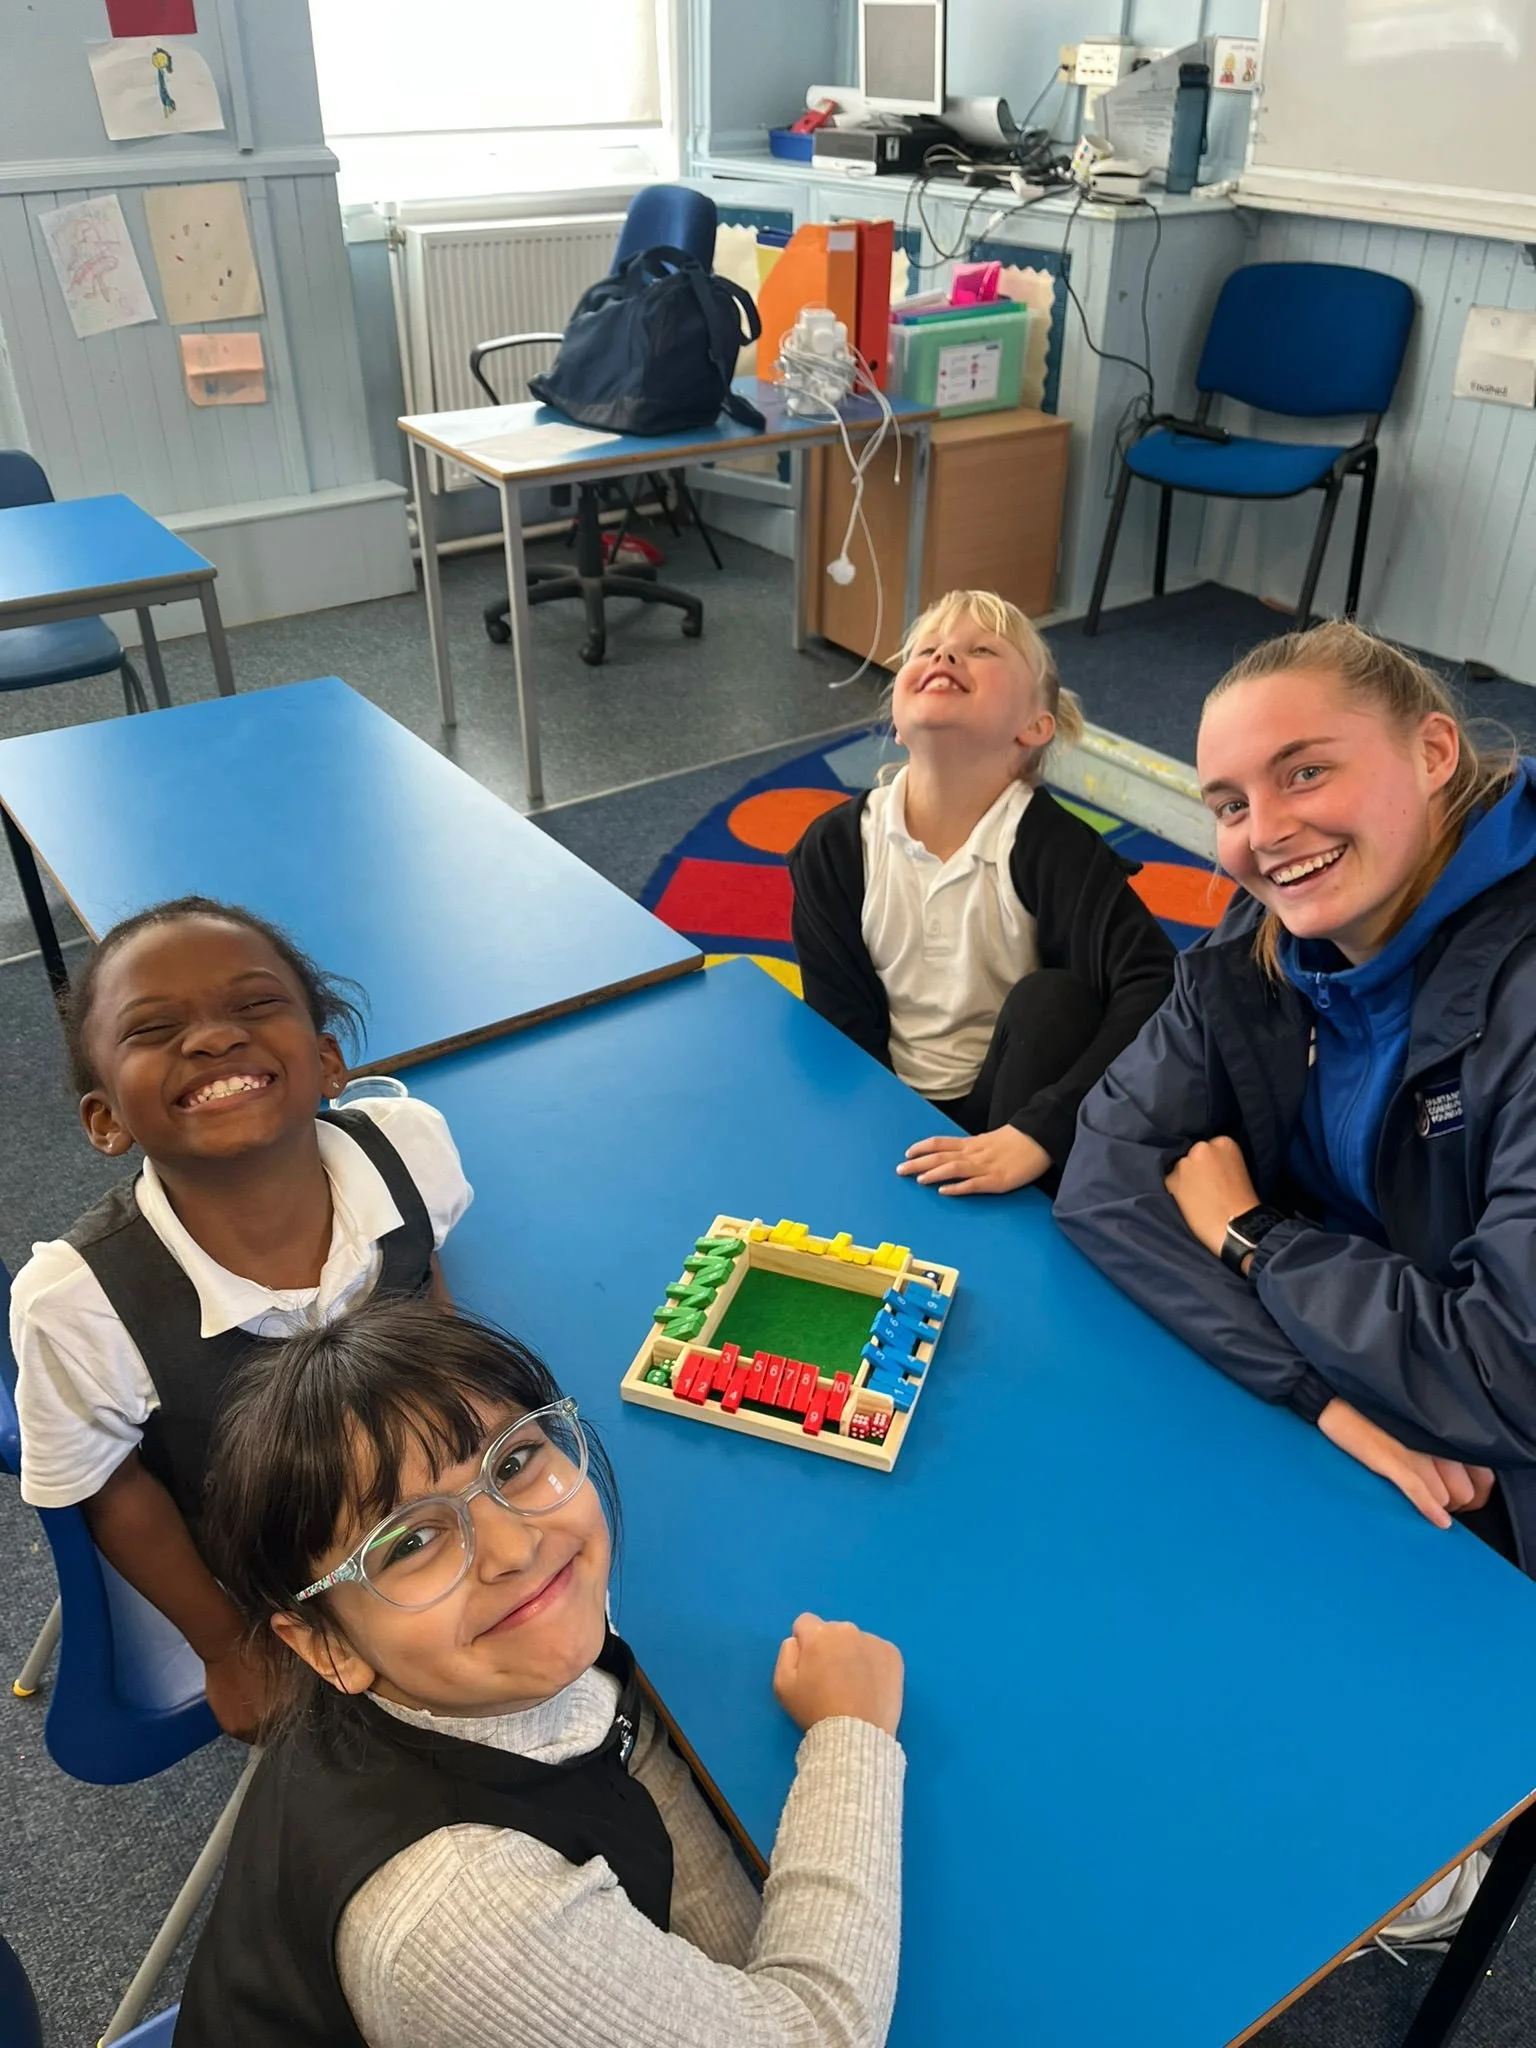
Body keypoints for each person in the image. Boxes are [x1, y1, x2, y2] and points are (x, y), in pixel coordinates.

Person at [174, 1298, 906, 2047]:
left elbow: (614, 1740)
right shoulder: (465, 1919)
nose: (514, 1547)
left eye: (514, 1462)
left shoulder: (446, 1669)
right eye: (410, 1542)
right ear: (327, 1648)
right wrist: (852, 1732)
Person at [1057, 620, 1536, 1569]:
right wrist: (1319, 1394)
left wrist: (1254, 1237)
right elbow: (1106, 1179)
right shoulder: (1265, 938)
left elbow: (1506, 1372)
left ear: (1435, 751)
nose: (1266, 834)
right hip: (1350, 1387)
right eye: (1229, 803)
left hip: (1483, 1484)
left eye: (1305, 773)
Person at [11, 896, 472, 1737]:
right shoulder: (82, 1300)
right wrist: (226, 1647)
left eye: (256, 1006)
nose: (216, 1038)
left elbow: (424, 1279)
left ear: (329, 1060)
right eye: (153, 1030)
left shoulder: (407, 1145)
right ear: (106, 1120)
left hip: (427, 1500)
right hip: (274, 1554)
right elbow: (113, 1488)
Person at [789, 589, 1176, 1195]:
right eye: (927, 649)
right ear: (896, 715)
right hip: (894, 1104)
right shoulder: (834, 849)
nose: (945, 657)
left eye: (980, 650)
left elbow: (1154, 982)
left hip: (1019, 1108)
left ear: (1035, 726)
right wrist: (876, 1137)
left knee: (1054, 1000)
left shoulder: (1054, 846)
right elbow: (841, 1026)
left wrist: (1038, 1133)